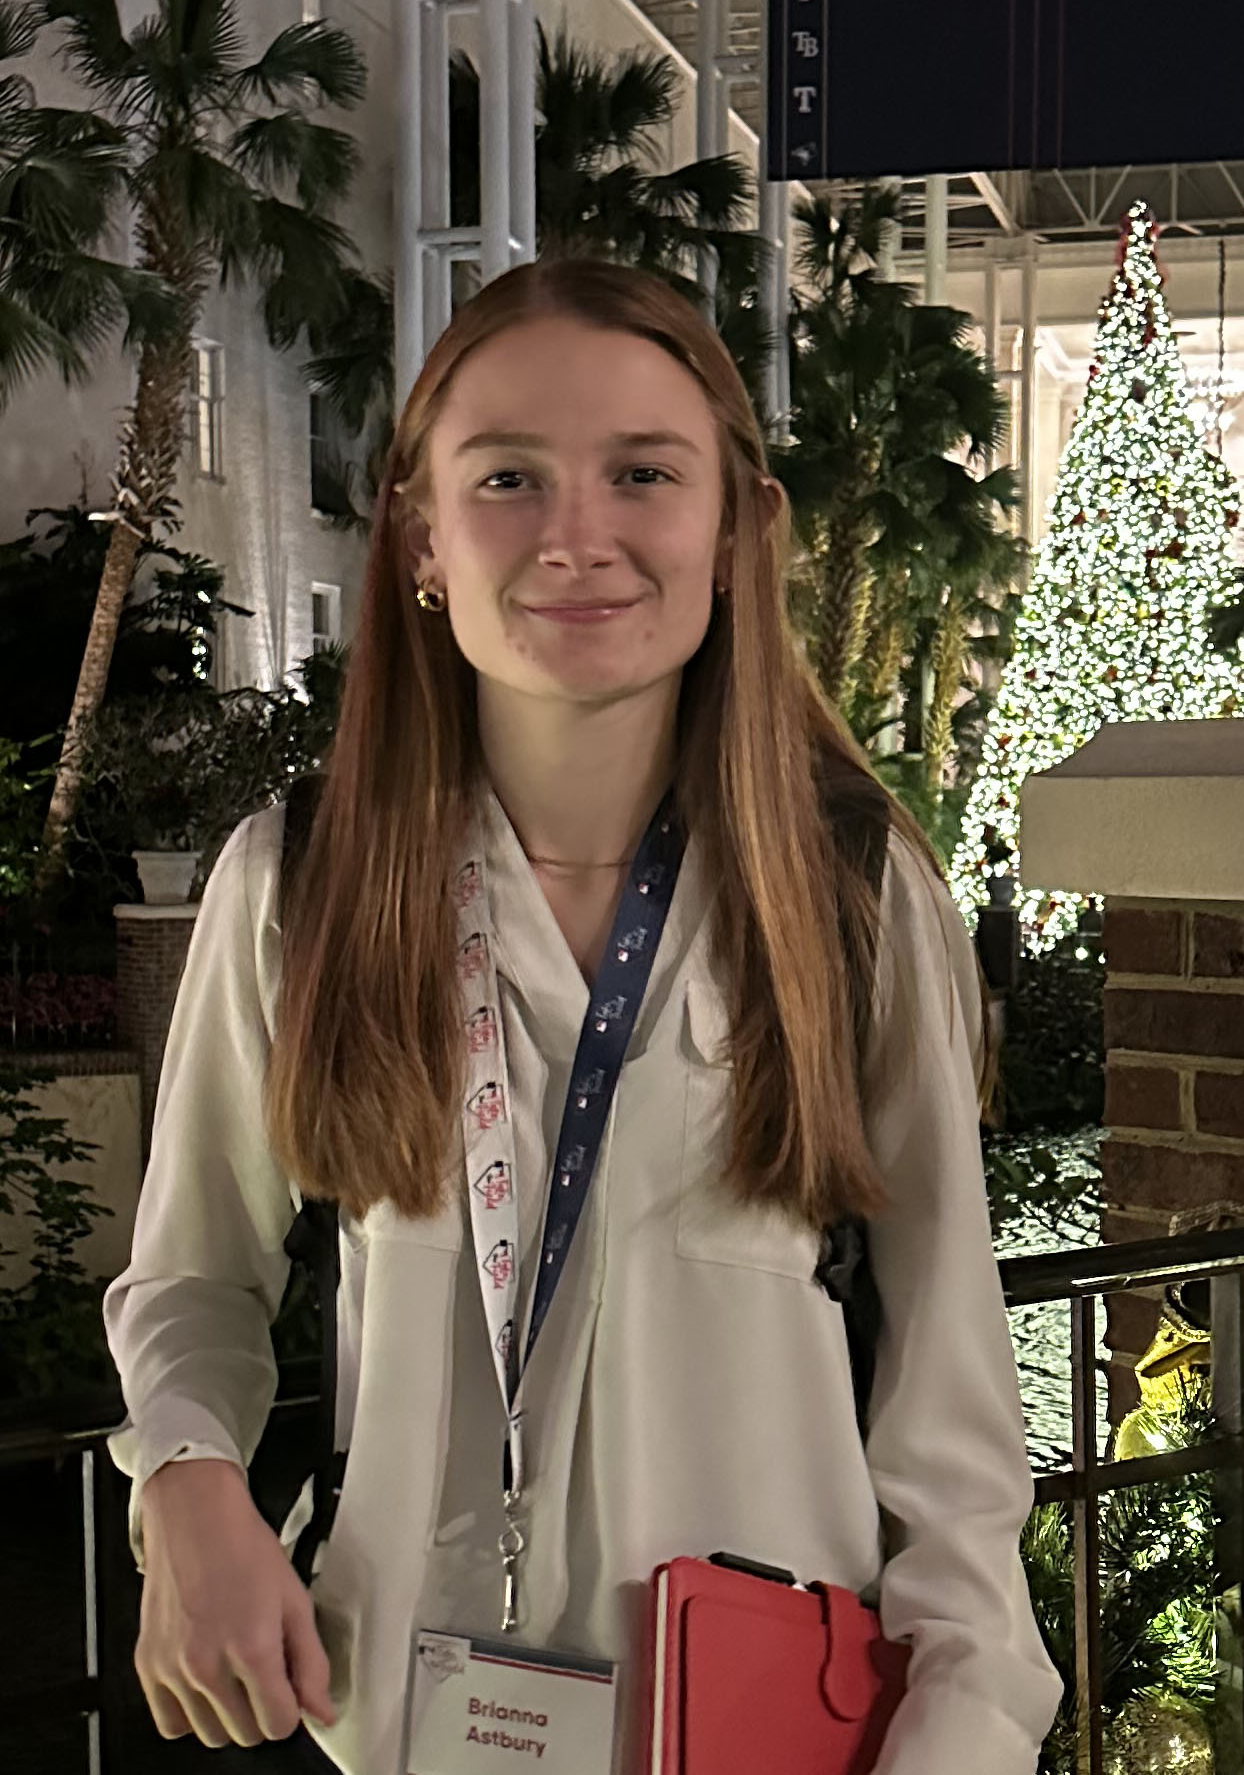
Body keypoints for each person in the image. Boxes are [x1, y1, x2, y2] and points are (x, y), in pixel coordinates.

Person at [106, 261, 1060, 1771]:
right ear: (422, 535)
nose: (577, 535)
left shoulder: (855, 894)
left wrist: (957, 1736)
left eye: (641, 473)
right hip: (410, 1731)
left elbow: (950, 1426)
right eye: (507, 477)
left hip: (775, 1747)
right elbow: (192, 1282)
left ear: (738, 532)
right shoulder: (301, 883)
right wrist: (186, 1482)